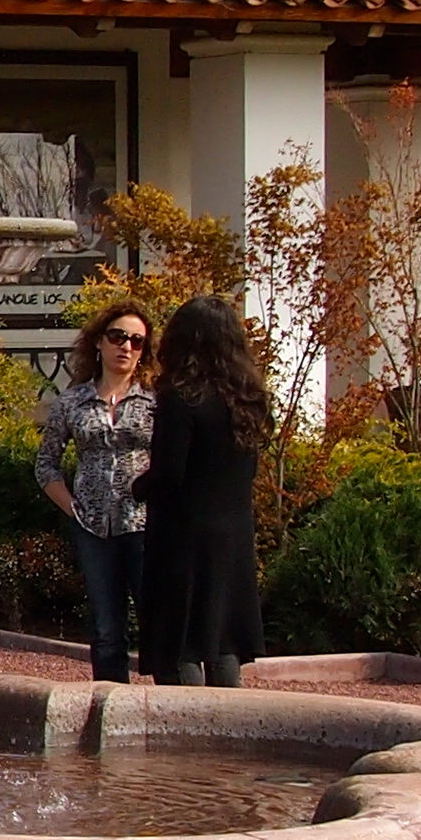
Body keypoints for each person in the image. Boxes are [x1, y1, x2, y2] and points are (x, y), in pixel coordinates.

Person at [141, 294, 269, 688]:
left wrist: (136, 487)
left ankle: (186, 732)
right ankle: (232, 731)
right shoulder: (250, 398)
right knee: (223, 639)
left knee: (179, 643)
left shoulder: (181, 398)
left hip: (183, 536)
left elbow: (169, 474)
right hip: (234, 533)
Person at [33, 301, 158, 683]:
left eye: (137, 342)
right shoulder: (72, 402)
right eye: (118, 337)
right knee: (106, 626)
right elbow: (45, 464)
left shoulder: (156, 401)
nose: (126, 347)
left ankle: (167, 707)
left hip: (145, 526)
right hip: (93, 529)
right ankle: (109, 704)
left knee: (156, 618)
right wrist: (72, 508)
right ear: (99, 343)